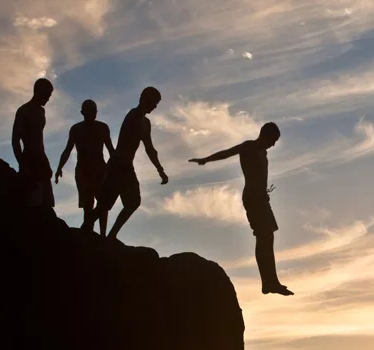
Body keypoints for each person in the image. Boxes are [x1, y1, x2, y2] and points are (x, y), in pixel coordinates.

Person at [189, 122, 293, 296]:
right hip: (253, 198)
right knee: (263, 236)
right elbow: (227, 153)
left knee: (268, 238)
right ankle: (268, 282)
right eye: (272, 140)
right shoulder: (248, 147)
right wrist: (205, 159)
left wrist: (264, 192)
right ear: (264, 135)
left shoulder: (263, 153)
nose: (273, 144)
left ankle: (271, 281)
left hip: (261, 199)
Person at [81, 87, 168, 240]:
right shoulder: (133, 116)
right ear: (144, 99)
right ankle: (84, 232)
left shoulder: (145, 122)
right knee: (103, 206)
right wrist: (160, 170)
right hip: (117, 166)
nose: (155, 107)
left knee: (132, 202)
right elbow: (148, 148)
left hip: (126, 167)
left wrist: (160, 170)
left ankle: (111, 236)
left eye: (156, 103)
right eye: (154, 102)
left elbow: (150, 148)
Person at [55, 100, 115, 236]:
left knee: (103, 204)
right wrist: (59, 168)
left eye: (94, 111)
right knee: (88, 205)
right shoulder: (76, 129)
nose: (92, 114)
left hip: (100, 170)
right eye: (89, 111)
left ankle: (102, 234)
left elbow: (111, 149)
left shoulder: (102, 127)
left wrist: (115, 168)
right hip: (83, 171)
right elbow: (67, 150)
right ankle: (88, 234)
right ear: (83, 113)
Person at [12, 78, 55, 208]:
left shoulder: (41, 112)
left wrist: (45, 160)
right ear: (39, 91)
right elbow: (15, 140)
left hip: (41, 158)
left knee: (47, 202)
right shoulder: (24, 111)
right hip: (29, 159)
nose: (48, 99)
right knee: (33, 201)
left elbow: (39, 139)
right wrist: (22, 163)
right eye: (47, 95)